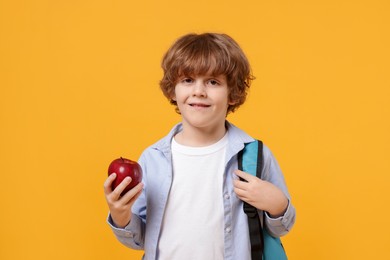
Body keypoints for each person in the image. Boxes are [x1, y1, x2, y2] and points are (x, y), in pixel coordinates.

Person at [103, 32, 296, 260]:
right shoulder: (153, 158)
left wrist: (278, 205)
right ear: (173, 89)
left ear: (232, 93)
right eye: (188, 80)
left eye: (213, 82)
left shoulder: (253, 154)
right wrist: (120, 214)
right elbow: (141, 239)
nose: (199, 91)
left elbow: (279, 228)